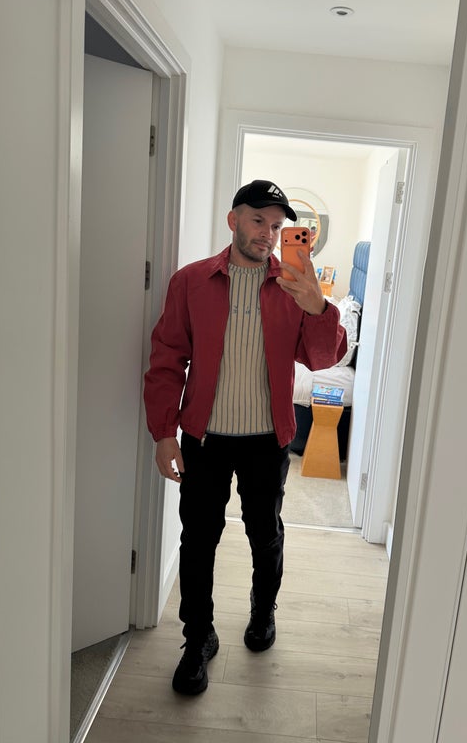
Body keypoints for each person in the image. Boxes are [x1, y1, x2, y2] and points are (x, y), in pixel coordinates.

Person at [143, 179, 347, 695]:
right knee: (198, 539)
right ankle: (197, 638)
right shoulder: (191, 282)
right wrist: (164, 432)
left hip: (268, 440)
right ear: (233, 220)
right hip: (204, 438)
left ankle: (262, 611)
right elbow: (167, 358)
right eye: (258, 221)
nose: (268, 234)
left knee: (265, 532)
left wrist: (319, 307)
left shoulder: (295, 286)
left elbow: (323, 358)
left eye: (277, 227)